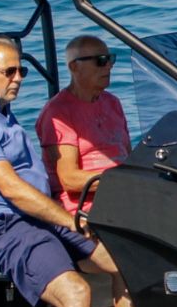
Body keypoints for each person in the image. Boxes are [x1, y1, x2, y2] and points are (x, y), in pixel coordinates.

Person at [0, 37, 136, 307]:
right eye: (9, 72)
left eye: (21, 71)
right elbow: (11, 189)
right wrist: (71, 220)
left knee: (125, 263)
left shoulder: (1, 113)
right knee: (75, 293)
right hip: (3, 224)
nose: (17, 79)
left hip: (37, 218)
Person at [36, 34, 132, 216]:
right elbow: (69, 179)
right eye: (101, 61)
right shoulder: (58, 113)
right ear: (74, 67)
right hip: (86, 208)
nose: (109, 66)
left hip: (124, 196)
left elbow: (128, 156)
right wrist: (122, 181)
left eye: (110, 59)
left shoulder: (113, 103)